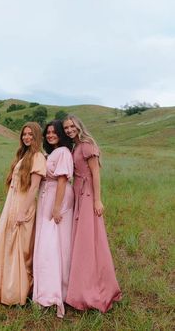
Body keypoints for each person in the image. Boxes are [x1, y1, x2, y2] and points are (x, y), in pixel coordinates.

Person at [63, 115, 122, 313]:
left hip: (88, 194)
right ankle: (79, 284)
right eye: (66, 128)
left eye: (72, 126)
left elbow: (96, 173)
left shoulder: (87, 145)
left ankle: (92, 290)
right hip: (78, 193)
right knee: (80, 239)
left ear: (79, 126)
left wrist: (97, 200)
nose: (69, 130)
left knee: (88, 241)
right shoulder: (75, 147)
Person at [0, 122, 46, 306]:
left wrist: (22, 211)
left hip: (23, 205)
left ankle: (18, 290)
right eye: (24, 134)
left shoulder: (37, 157)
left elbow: (34, 187)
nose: (27, 137)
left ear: (37, 137)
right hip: (12, 204)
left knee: (20, 246)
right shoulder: (24, 154)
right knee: (8, 242)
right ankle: (4, 285)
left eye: (31, 135)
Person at [33, 120, 74, 318]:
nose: (50, 135)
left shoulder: (64, 152)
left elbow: (62, 179)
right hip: (46, 196)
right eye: (47, 132)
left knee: (53, 243)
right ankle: (45, 287)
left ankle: (55, 292)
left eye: (54, 132)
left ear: (61, 134)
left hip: (57, 197)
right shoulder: (52, 153)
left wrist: (57, 207)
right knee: (47, 241)